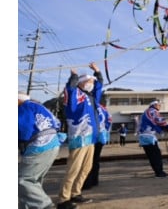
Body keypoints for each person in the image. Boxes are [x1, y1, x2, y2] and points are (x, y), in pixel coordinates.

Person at [57, 62, 103, 209]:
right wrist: (74, 77)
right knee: (73, 169)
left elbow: (99, 86)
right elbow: (69, 90)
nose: (92, 84)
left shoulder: (91, 97)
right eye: (90, 82)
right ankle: (63, 199)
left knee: (86, 168)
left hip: (91, 137)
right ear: (82, 82)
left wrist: (98, 72)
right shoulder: (75, 94)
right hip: (79, 137)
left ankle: (76, 193)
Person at [19, 92, 64, 209]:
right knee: (34, 180)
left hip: (40, 146)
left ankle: (45, 206)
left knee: (23, 180)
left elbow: (24, 130)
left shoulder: (24, 107)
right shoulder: (39, 106)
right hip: (52, 143)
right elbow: (58, 123)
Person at [138, 100, 168, 178]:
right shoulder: (153, 111)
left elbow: (153, 123)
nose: (159, 106)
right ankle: (159, 172)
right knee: (156, 155)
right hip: (148, 136)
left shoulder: (145, 112)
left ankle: (157, 171)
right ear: (154, 105)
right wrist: (167, 127)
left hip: (143, 136)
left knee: (151, 155)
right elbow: (160, 120)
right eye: (159, 105)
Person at [83, 103, 112, 189]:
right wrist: (105, 131)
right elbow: (109, 120)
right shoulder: (103, 109)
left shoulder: (88, 105)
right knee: (96, 159)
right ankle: (95, 180)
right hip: (101, 136)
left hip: (90, 136)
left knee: (88, 160)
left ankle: (87, 182)